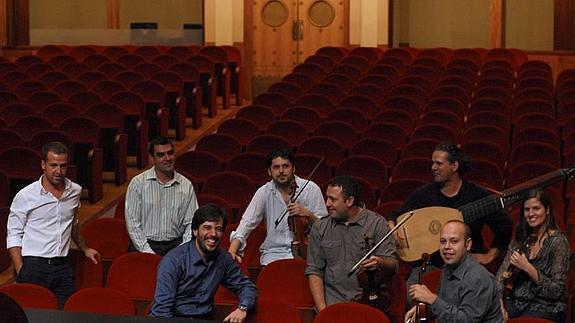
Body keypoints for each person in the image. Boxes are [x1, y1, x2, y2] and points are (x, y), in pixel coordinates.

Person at [387, 143, 512, 287]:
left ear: (454, 166)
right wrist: (392, 225)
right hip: (431, 264)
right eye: (432, 163)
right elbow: (396, 215)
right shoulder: (424, 194)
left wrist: (490, 254)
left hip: (466, 264)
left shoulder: (476, 195)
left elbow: (504, 225)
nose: (433, 167)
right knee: (411, 296)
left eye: (438, 163)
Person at [6, 141, 100, 308]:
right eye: (53, 165)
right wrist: (21, 269)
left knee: (64, 314)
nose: (58, 171)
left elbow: (74, 223)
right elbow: (13, 234)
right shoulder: (26, 195)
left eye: (63, 166)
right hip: (33, 265)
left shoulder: (75, 191)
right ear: (43, 165)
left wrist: (84, 248)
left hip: (62, 266)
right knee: (32, 314)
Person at [150, 203, 257, 321]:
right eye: (207, 228)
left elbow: (247, 287)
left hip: (206, 319)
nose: (213, 234)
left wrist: (242, 308)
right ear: (195, 231)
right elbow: (161, 311)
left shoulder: (223, 259)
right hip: (176, 319)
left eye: (218, 229)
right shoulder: (173, 261)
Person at [306, 176, 397, 312]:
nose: (327, 204)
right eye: (327, 198)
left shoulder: (377, 224)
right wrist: (323, 311)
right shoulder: (320, 227)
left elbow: (393, 265)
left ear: (349, 201)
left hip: (368, 303)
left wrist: (380, 262)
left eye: (333, 199)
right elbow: (314, 270)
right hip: (332, 303)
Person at [228, 148, 328, 266]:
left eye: (286, 166)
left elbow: (325, 228)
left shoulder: (311, 189)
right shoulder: (264, 192)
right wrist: (231, 252)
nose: (281, 171)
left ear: (293, 168)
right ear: (269, 172)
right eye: (276, 167)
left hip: (307, 253)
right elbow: (246, 224)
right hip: (273, 255)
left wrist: (308, 214)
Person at [405, 220, 503, 323]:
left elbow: (466, 320)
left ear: (468, 244)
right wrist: (422, 310)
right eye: (443, 241)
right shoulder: (447, 268)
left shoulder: (478, 278)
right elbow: (444, 305)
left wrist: (431, 299)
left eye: (454, 241)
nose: (447, 247)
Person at [496, 188, 570, 322]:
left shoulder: (558, 242)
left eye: (536, 208)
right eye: (527, 209)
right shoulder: (520, 238)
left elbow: (555, 291)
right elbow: (501, 275)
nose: (531, 214)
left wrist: (527, 267)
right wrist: (499, 304)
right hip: (518, 302)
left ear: (547, 210)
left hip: (546, 307)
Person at [125, 136, 198, 255]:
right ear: (152, 158)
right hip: (144, 246)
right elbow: (133, 223)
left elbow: (192, 222)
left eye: (170, 153)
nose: (167, 158)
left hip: (176, 246)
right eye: (161, 155)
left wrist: (181, 251)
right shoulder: (137, 184)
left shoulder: (186, 185)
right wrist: (148, 252)